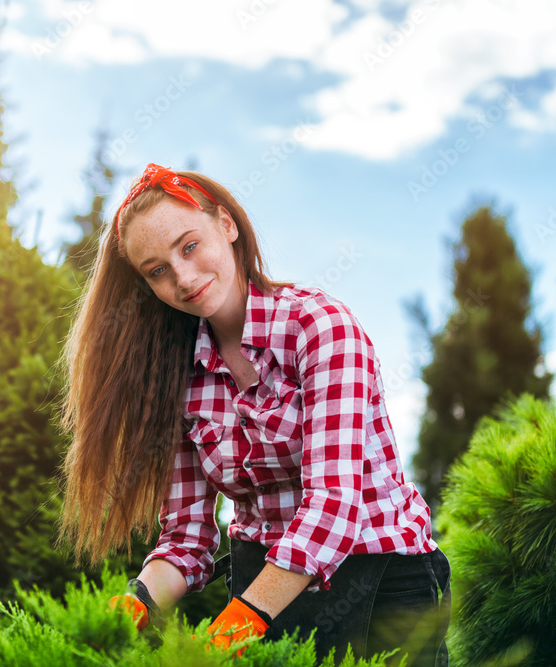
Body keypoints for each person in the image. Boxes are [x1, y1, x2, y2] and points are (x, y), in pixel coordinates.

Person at [54, 163, 451, 666]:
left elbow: (335, 505)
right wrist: (139, 601)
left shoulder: (320, 328)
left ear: (226, 225)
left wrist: (243, 620)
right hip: (263, 585)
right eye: (157, 270)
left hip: (380, 581)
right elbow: (186, 538)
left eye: (189, 245)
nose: (183, 277)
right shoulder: (181, 375)